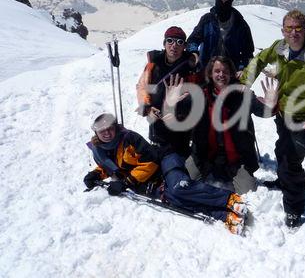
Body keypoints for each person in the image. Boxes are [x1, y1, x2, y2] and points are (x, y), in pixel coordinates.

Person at [240, 9, 305, 228]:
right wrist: (246, 81)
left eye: (298, 28)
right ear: (283, 30)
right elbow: (259, 59)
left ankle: (294, 209)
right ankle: (282, 181)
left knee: (291, 163)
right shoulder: (281, 47)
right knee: (281, 150)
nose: (293, 33)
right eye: (289, 28)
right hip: (283, 113)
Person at [83, 112, 248, 234]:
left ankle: (229, 199)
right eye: (101, 130)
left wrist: (126, 182)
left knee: (179, 188)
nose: (106, 133)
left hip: (164, 161)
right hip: (152, 182)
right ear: (96, 133)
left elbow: (150, 161)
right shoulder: (99, 149)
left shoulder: (129, 138)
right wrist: (96, 175)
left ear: (115, 127)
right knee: (174, 198)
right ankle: (224, 216)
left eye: (109, 128)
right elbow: (109, 166)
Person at [165, 56, 278, 194]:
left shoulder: (242, 94)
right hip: (204, 156)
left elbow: (263, 111)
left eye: (225, 71)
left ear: (231, 73)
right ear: (210, 74)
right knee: (184, 180)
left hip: (237, 160)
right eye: (217, 71)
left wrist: (271, 105)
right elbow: (179, 110)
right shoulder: (200, 94)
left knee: (248, 192)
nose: (221, 75)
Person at [136, 26, 197, 156]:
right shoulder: (153, 65)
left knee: (179, 158)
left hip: (180, 125)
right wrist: (147, 108)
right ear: (164, 44)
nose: (174, 45)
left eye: (179, 42)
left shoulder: (191, 69)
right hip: (157, 123)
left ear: (184, 46)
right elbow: (142, 87)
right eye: (170, 41)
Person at [186, 0, 254, 78]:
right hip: (206, 72)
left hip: (230, 74)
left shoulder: (240, 23)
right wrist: (193, 52)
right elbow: (192, 40)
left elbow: (248, 52)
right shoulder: (207, 20)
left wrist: (243, 69)